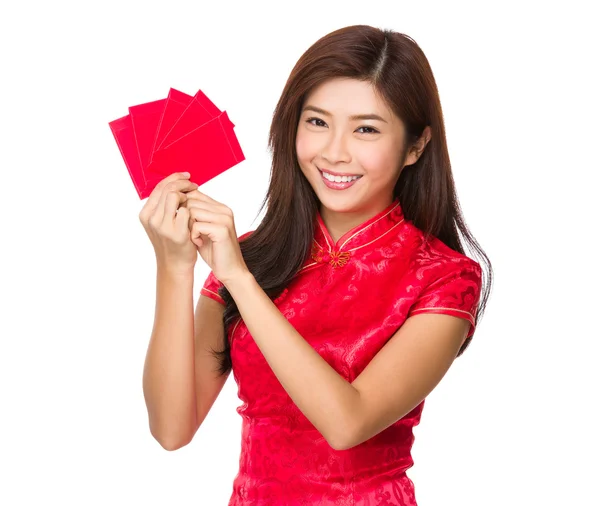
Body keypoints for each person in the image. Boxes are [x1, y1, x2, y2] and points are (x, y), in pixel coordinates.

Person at [139, 24, 492, 506]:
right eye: (317, 122)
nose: (334, 152)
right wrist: (175, 268)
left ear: (416, 145)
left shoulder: (445, 278)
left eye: (366, 128)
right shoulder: (250, 256)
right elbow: (171, 429)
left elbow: (347, 423)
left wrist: (239, 278)